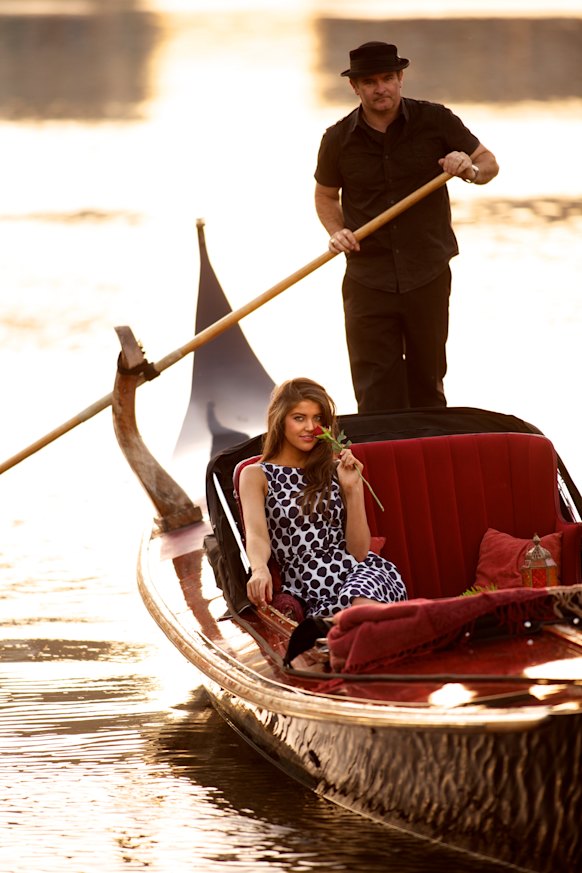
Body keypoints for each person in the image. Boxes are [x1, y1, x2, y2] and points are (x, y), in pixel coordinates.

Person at [314, 41, 500, 413]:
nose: (379, 88)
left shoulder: (436, 120)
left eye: (386, 78)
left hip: (427, 272)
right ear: (355, 87)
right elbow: (325, 196)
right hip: (368, 277)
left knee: (427, 383)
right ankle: (379, 465)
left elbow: (489, 164)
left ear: (400, 78)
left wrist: (470, 170)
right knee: (374, 392)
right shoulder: (336, 139)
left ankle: (425, 462)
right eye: (369, 82)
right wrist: (336, 231)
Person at [239, 377, 407, 618]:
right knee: (347, 622)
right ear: (280, 420)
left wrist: (353, 489)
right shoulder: (256, 475)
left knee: (359, 610)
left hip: (362, 577)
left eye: (318, 419)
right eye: (299, 418)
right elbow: (257, 536)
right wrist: (258, 569)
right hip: (308, 590)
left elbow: (359, 552)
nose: (311, 427)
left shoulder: (335, 470)